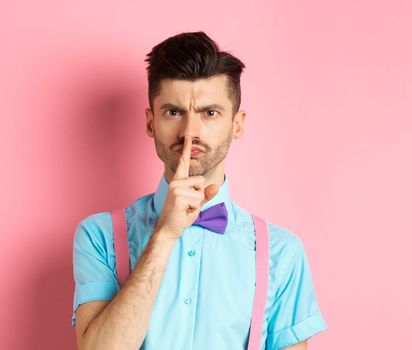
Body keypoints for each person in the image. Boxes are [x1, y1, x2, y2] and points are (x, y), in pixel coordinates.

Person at [71, 31, 326, 350]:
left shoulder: (281, 252)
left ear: (237, 123)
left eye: (210, 113)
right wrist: (164, 234)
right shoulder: (99, 236)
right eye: (173, 112)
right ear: (151, 123)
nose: (190, 132)